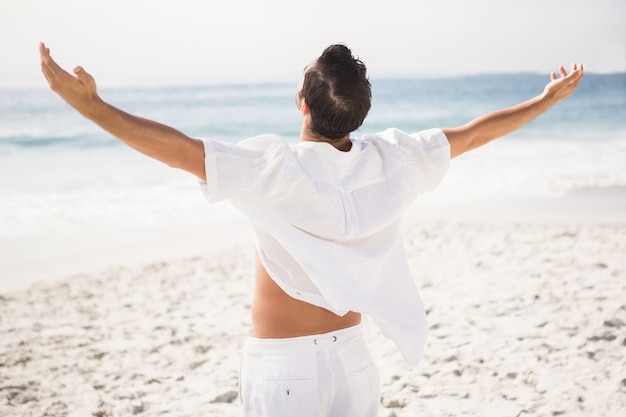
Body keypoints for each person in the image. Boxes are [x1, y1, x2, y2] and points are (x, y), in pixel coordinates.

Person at [39, 42, 583, 417]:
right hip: (355, 357)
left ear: (302, 103)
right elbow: (471, 135)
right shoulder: (395, 159)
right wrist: (544, 101)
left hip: (286, 366)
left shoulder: (273, 168)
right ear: (357, 113)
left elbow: (177, 149)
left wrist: (91, 106)